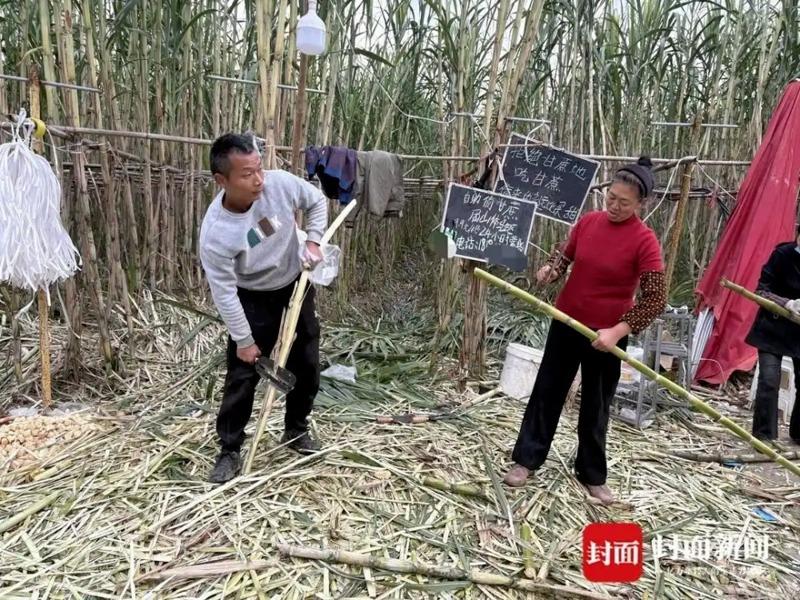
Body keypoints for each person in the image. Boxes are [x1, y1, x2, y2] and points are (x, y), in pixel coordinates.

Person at [503, 157, 667, 504]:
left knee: (596, 404)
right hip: (566, 321)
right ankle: (526, 459)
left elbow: (655, 299)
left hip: (606, 336)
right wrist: (551, 270)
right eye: (611, 198)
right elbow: (565, 256)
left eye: (624, 202)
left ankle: (592, 474)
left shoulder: (645, 241)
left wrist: (618, 331)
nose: (615, 206)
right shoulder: (588, 222)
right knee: (547, 391)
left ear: (642, 204)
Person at [199, 133, 328, 483]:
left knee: (306, 363)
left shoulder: (280, 185)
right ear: (221, 180)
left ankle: (296, 430)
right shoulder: (217, 233)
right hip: (251, 298)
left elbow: (316, 201)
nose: (258, 181)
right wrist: (244, 339)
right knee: (242, 377)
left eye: (259, 169)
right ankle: (229, 450)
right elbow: (224, 291)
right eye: (246, 174)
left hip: (294, 286)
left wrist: (313, 242)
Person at [744, 223, 800, 443]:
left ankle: (798, 434)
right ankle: (763, 437)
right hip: (772, 327)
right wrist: (786, 303)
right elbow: (761, 289)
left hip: (799, 332)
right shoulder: (782, 255)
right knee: (768, 380)